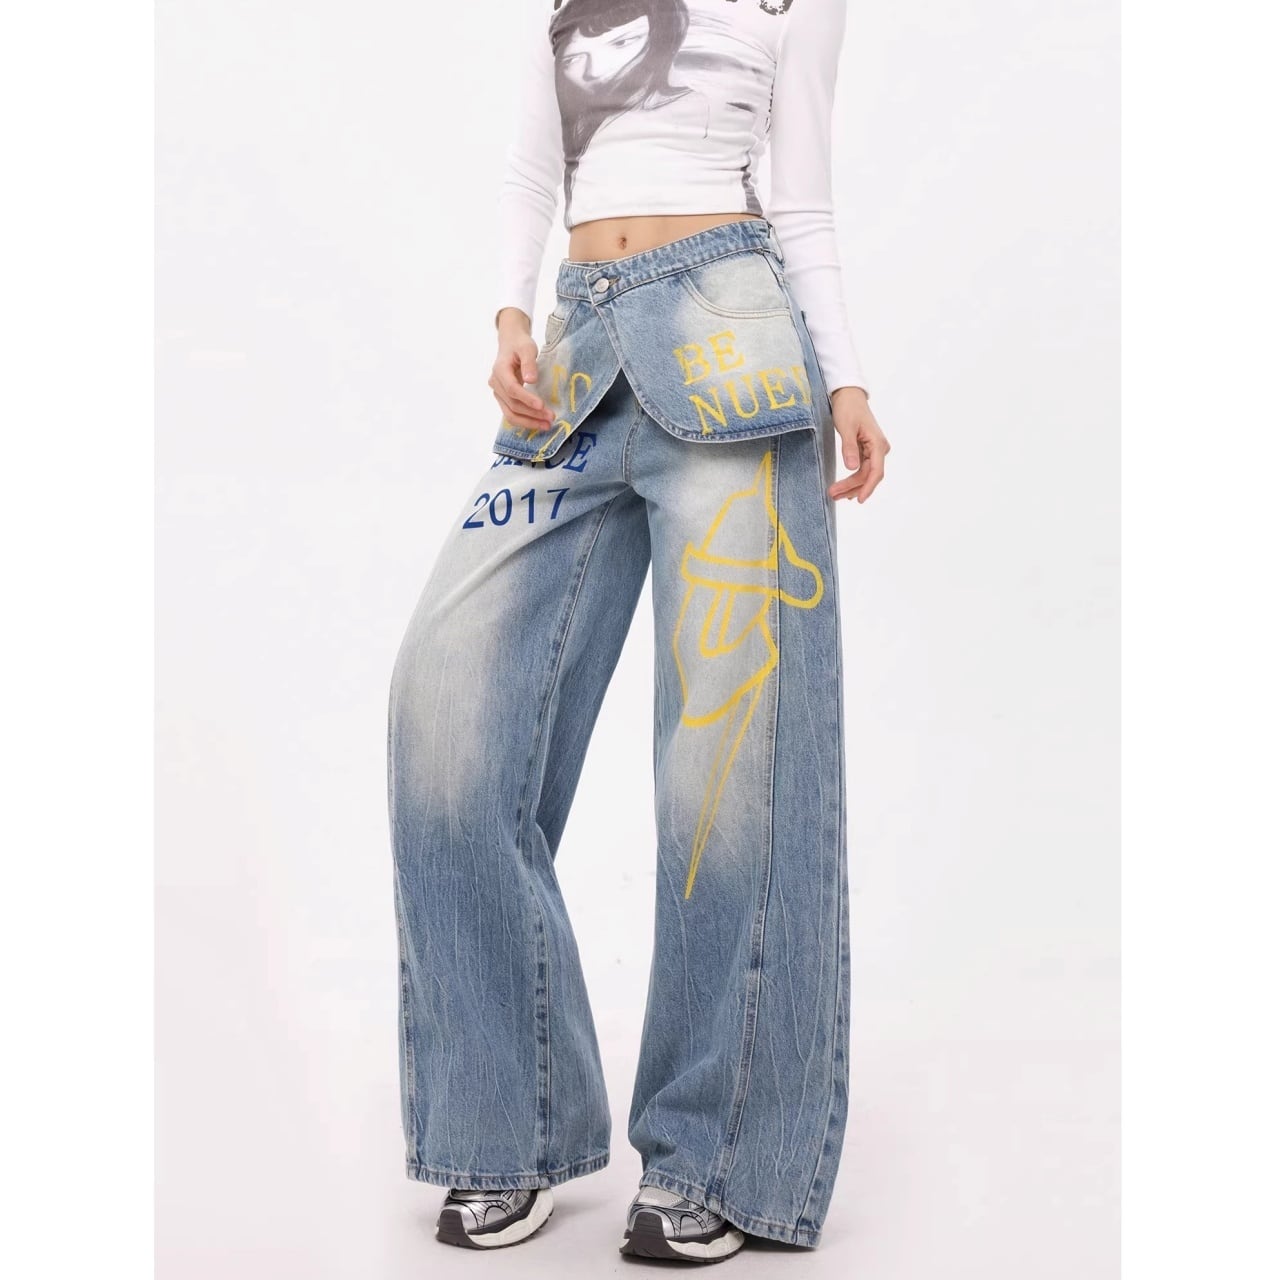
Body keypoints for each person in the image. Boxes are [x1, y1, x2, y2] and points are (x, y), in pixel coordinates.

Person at [386, 0, 890, 1264]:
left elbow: (802, 197)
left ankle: (717, 1154)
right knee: (442, 724)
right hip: (575, 358)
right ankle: (506, 1124)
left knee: (729, 778)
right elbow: (534, 164)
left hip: (732, 334)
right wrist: (509, 311)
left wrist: (843, 375)